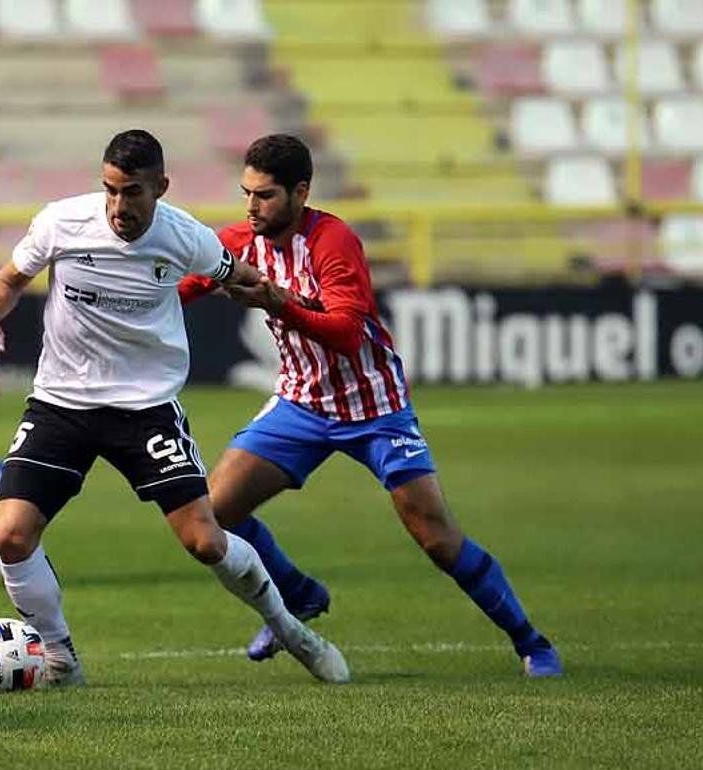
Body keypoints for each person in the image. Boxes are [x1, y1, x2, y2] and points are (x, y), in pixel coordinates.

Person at [0, 129, 350, 686]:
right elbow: (8, 279)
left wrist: (283, 303)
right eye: (110, 190)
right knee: (11, 534)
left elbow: (238, 275)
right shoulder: (62, 222)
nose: (119, 206)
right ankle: (58, 657)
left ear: (161, 188)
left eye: (132, 193)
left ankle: (293, 631)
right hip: (61, 403)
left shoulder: (186, 238)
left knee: (205, 540)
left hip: (144, 408)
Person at [178, 134, 563, 678]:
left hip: (374, 407)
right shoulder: (239, 241)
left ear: (300, 192)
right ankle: (299, 593)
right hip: (301, 404)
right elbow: (184, 286)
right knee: (215, 514)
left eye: (264, 195)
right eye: (246, 193)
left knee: (434, 533)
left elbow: (345, 334)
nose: (251, 206)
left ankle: (532, 642)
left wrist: (277, 301)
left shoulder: (333, 241)